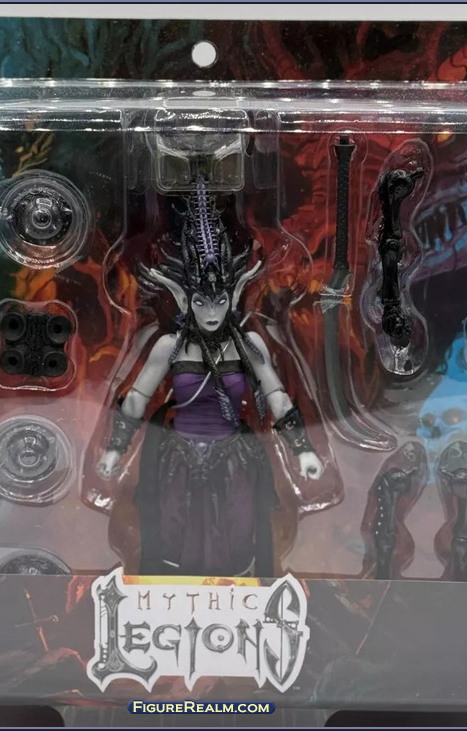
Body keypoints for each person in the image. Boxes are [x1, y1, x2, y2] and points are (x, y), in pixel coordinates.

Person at [97, 175, 323, 577]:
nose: (212, 311)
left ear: (233, 295)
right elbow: (137, 398)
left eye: (219, 300)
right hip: (176, 460)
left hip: (233, 459)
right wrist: (115, 449)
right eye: (202, 301)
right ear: (187, 299)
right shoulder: (170, 346)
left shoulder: (248, 344)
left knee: (236, 536)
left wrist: (303, 450)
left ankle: (238, 594)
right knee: (172, 536)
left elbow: (277, 396)